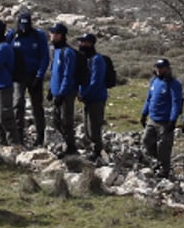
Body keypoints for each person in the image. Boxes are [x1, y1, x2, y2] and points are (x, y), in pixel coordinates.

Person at [6, 12, 50, 147]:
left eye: (26, 25)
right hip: (18, 76)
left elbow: (45, 56)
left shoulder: (38, 36)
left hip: (34, 75)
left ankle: (40, 137)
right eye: (22, 25)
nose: (24, 28)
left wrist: (39, 75)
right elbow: (4, 51)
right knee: (18, 103)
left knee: (37, 106)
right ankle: (18, 136)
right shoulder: (12, 35)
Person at [141, 58, 183, 179]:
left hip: (165, 121)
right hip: (152, 118)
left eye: (161, 67)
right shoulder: (154, 81)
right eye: (157, 67)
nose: (159, 70)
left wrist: (173, 120)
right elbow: (149, 99)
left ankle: (164, 170)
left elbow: (176, 103)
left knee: (164, 147)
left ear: (167, 68)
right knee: (147, 141)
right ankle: (157, 162)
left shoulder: (174, 84)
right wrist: (144, 114)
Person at [46, 22, 79, 156]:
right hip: (56, 92)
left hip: (66, 93)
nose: (50, 35)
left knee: (66, 122)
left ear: (60, 35)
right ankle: (63, 146)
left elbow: (67, 75)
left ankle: (71, 149)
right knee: (56, 120)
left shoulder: (68, 52)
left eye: (53, 33)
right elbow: (55, 73)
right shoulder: (56, 51)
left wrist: (61, 94)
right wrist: (50, 90)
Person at [76, 32, 108, 163]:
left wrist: (85, 94)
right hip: (87, 97)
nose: (81, 44)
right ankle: (93, 150)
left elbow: (96, 81)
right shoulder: (86, 58)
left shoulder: (97, 59)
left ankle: (97, 152)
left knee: (94, 127)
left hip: (96, 98)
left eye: (84, 42)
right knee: (87, 127)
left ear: (90, 43)